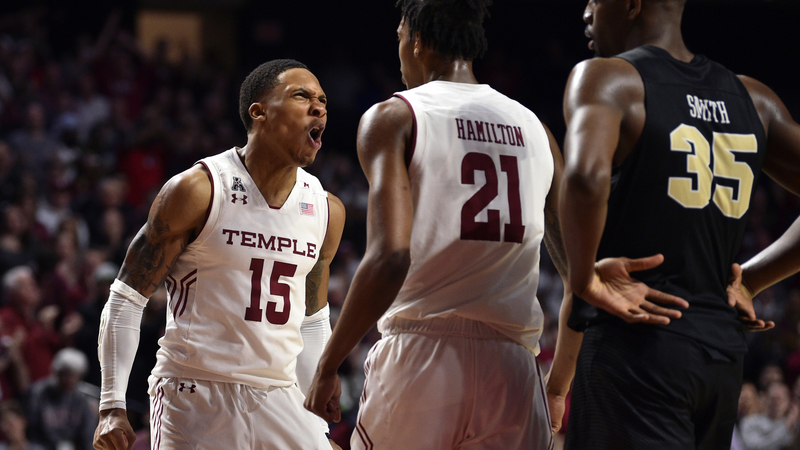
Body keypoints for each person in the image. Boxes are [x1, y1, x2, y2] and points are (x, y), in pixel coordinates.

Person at [304, 1, 569, 448]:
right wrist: (558, 384)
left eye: (400, 39)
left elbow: (390, 256)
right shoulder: (538, 130)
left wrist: (328, 365)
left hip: (422, 353)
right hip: (513, 366)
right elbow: (580, 279)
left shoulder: (394, 116)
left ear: (417, 40)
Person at [554, 0, 800, 448]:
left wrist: (584, 276)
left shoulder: (609, 78)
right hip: (721, 357)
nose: (586, 12)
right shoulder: (754, 98)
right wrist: (754, 280)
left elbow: (585, 179)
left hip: (636, 348)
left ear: (630, 5)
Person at [92, 59, 345, 450]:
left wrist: (318, 393)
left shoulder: (326, 209)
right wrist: (112, 405)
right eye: (302, 96)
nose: (319, 107)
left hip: (281, 392)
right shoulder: (199, 190)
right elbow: (126, 299)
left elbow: (313, 319)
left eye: (323, 100)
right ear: (258, 112)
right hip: (196, 392)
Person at [26, 348, 96, 450]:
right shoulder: (39, 393)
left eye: (73, 376)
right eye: (65, 374)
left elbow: (88, 435)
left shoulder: (81, 398)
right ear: (56, 373)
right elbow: (32, 429)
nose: (69, 380)